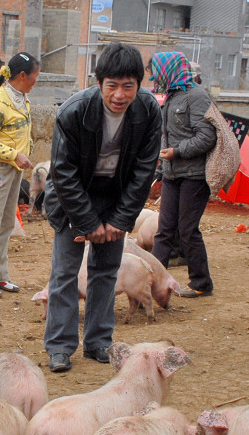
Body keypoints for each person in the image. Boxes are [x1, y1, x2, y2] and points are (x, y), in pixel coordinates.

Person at [41, 41, 162, 373]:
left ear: (139, 85)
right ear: (98, 83)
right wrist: (86, 221)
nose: (120, 95)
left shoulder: (149, 111)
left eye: (128, 86)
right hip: (72, 199)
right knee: (65, 273)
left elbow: (143, 171)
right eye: (112, 86)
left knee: (106, 271)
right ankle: (61, 346)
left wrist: (120, 219)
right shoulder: (73, 112)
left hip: (117, 198)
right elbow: (63, 172)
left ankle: (98, 342)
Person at [149, 51, 217, 297]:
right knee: (165, 229)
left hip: (194, 175)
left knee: (187, 229)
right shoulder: (172, 94)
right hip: (172, 173)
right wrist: (162, 167)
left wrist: (177, 152)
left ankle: (201, 283)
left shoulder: (196, 96)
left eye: (156, 70)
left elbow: (207, 136)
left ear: (169, 70)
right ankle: (155, 279)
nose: (154, 76)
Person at [0, 53, 40, 298]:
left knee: (5, 224)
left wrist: (24, 152)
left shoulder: (22, 99)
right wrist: (15, 154)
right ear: (22, 76)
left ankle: (0, 276)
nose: (35, 81)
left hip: (13, 169)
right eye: (34, 76)